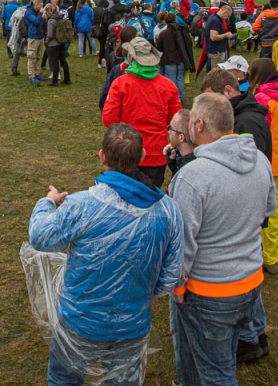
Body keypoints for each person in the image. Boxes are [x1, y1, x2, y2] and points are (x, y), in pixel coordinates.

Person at [28, 123, 184, 385]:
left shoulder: (82, 205)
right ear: (143, 156)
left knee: (64, 380)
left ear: (102, 156)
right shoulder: (168, 210)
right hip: (132, 325)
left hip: (80, 322)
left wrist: (47, 202)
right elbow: (171, 274)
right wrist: (137, 293)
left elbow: (40, 236)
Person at [168, 93, 277, 385]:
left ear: (200, 125)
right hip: (250, 282)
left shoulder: (193, 177)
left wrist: (177, 286)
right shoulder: (260, 160)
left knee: (217, 373)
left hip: (209, 292)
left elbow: (182, 243)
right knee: (212, 358)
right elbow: (268, 210)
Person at [102, 37, 181, 188]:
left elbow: (109, 119)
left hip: (125, 150)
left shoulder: (121, 84)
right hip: (156, 153)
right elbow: (175, 122)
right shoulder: (168, 86)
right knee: (150, 197)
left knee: (122, 198)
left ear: (131, 57)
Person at [248, 58, 278, 276]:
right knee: (276, 207)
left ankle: (260, 253)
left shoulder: (261, 99)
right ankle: (271, 255)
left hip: (265, 157)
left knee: (259, 208)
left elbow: (259, 129)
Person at [44, 4, 71, 86]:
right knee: (63, 61)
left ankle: (54, 81)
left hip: (53, 44)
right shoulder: (60, 17)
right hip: (61, 42)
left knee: (54, 62)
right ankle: (67, 79)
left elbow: (50, 34)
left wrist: (46, 42)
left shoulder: (51, 21)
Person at [24, 0, 46, 84]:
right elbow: (36, 21)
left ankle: (37, 74)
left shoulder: (38, 12)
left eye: (42, 5)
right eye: (40, 5)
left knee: (38, 57)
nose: (42, 7)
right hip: (33, 37)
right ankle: (32, 75)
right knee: (32, 57)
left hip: (40, 37)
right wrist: (41, 13)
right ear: (35, 4)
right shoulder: (29, 12)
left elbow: (42, 22)